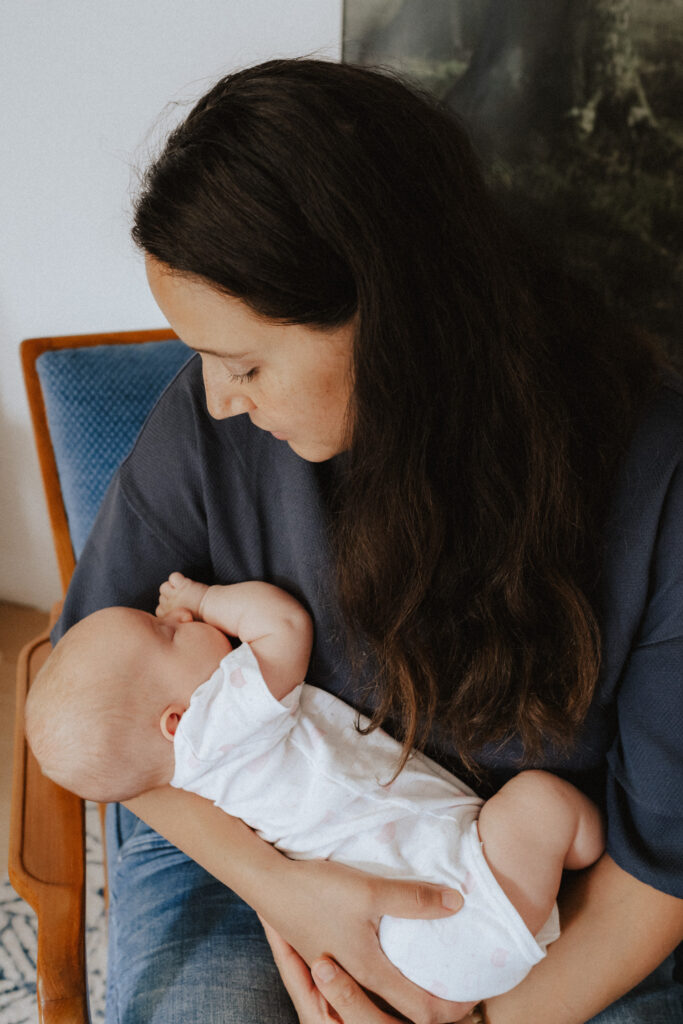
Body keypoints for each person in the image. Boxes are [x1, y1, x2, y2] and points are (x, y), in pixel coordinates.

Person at [52, 58, 683, 1024]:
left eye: (248, 363)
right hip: (251, 849)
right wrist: (287, 890)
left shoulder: (655, 486)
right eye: (207, 364)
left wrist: (472, 1017)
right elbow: (92, 716)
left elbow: (658, 868)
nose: (219, 398)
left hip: (545, 900)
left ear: (391, 316)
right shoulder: (217, 430)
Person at [27, 571, 604, 1013]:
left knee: (533, 816)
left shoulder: (193, 773)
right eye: (166, 633)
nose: (176, 621)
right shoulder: (220, 724)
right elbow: (284, 627)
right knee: (543, 802)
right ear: (175, 722)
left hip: (405, 946)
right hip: (452, 887)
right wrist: (203, 599)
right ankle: (584, 848)